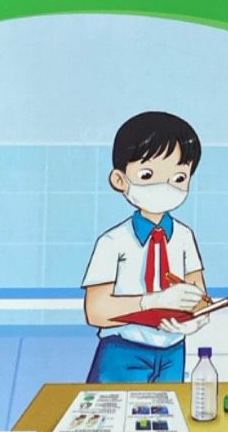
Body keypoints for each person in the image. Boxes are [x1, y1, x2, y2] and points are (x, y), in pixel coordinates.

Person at [81, 111, 210, 383]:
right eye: (148, 174)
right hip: (123, 351)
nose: (166, 186)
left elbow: (198, 294)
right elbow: (96, 310)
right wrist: (152, 302)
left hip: (173, 352)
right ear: (120, 180)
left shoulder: (184, 237)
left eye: (179, 178)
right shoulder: (112, 242)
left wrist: (196, 317)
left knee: (169, 410)